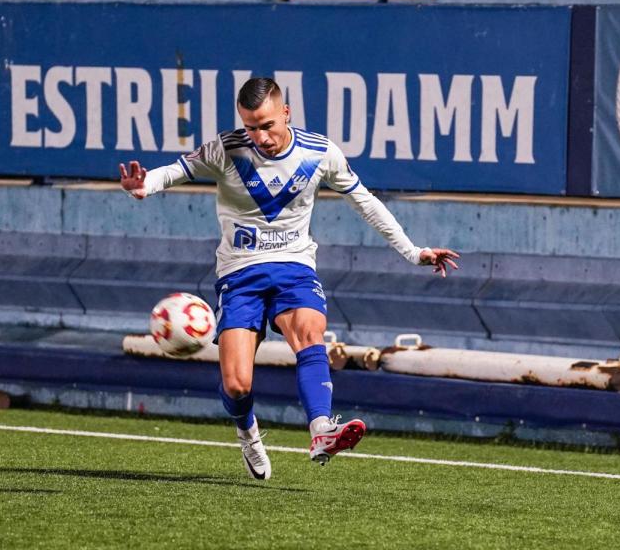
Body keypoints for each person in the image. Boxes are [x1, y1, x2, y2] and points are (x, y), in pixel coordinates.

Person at [119, 77, 459, 480]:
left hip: (294, 266)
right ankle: (248, 434)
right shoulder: (225, 149)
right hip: (239, 272)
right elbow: (176, 171)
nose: (259, 136)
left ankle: (321, 429)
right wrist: (144, 186)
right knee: (237, 384)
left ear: (285, 113)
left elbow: (366, 203)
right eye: (250, 126)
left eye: (266, 125)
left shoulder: (319, 152)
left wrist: (414, 252)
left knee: (309, 332)